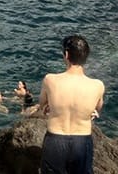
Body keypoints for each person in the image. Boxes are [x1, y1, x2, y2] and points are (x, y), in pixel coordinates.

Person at [38, 35, 105, 174]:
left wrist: (49, 106)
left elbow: (42, 104)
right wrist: (92, 111)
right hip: (82, 142)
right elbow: (97, 109)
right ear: (86, 57)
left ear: (67, 55)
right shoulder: (97, 85)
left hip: (55, 140)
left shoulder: (50, 80)